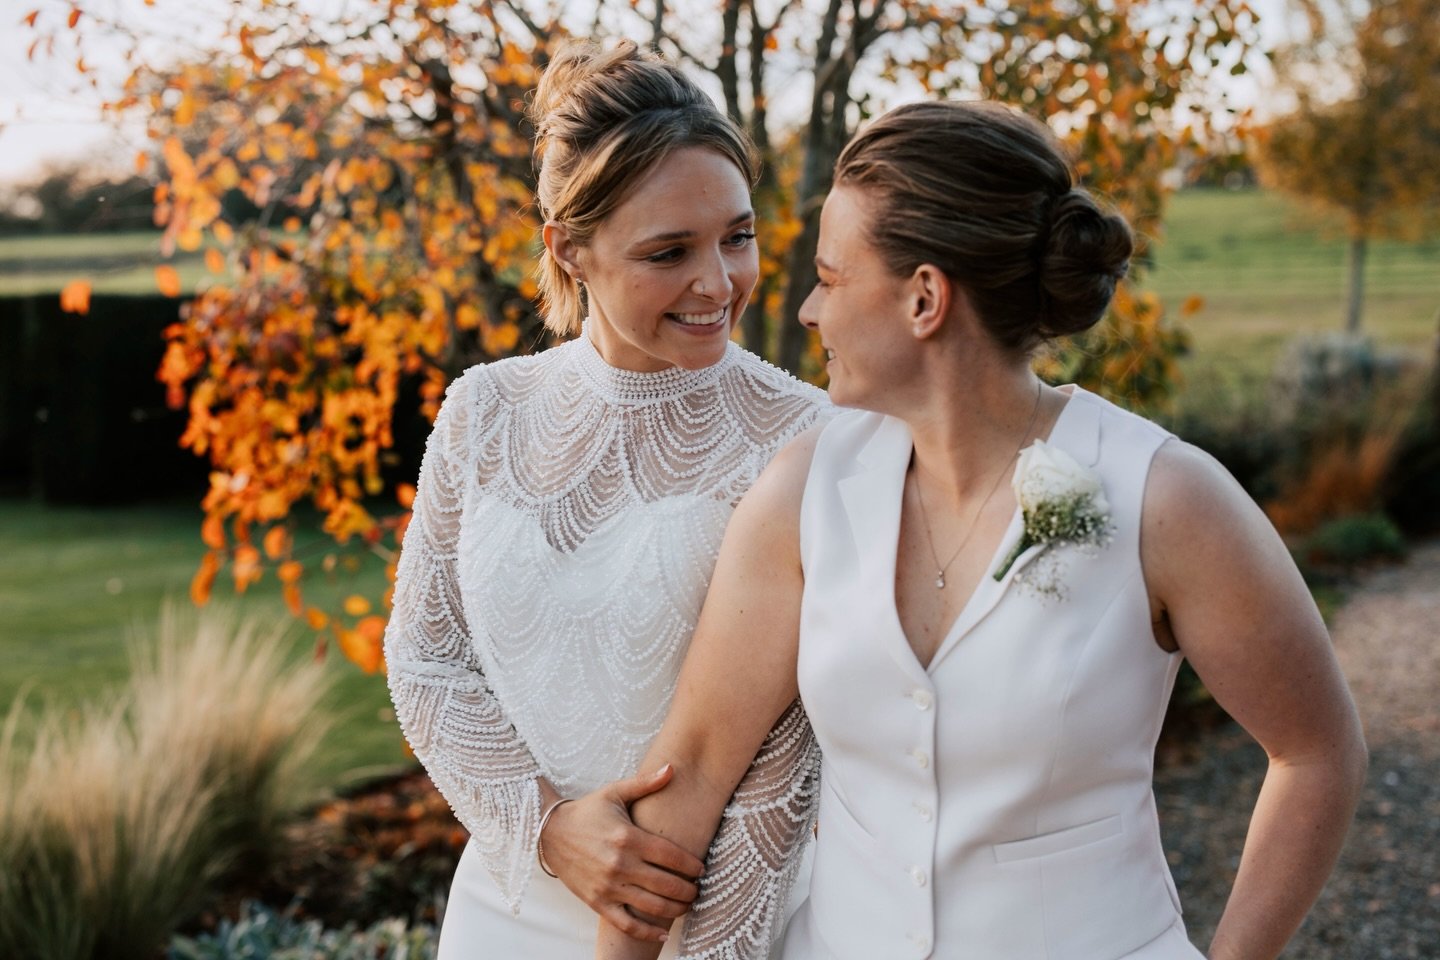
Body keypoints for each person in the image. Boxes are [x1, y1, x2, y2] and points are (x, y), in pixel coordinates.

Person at [596, 100, 1368, 960]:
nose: (809, 310)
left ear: (925, 298)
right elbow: (688, 781)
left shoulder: (1165, 500)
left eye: (832, 277)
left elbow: (1317, 754)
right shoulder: (804, 490)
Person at [382, 39, 828, 959]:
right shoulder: (484, 410)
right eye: (670, 251)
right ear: (568, 249)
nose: (719, 282)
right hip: (507, 905)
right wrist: (548, 829)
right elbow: (426, 658)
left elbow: (792, 750)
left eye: (737, 236)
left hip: (713, 915)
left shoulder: (806, 439)